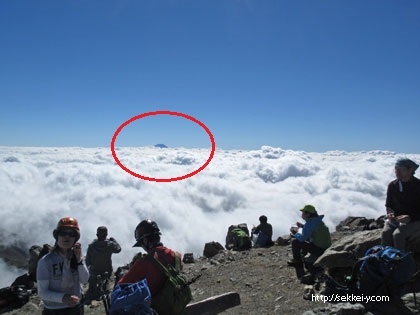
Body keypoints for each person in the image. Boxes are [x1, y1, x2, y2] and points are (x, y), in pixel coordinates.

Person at [37, 217, 89, 315]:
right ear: (57, 236)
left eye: (71, 234)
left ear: (75, 239)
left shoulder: (76, 257)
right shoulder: (46, 261)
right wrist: (63, 298)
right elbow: (42, 292)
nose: (67, 237)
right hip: (54, 310)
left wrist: (79, 261)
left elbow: (84, 280)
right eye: (63, 233)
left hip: (76, 307)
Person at [118, 219, 182, 296]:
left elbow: (120, 286)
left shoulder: (143, 263)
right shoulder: (177, 256)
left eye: (141, 244)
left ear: (145, 240)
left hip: (155, 306)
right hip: (176, 304)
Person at [381, 158, 420, 251]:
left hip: (416, 219)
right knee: (386, 233)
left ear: (410, 170)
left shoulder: (418, 185)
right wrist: (390, 213)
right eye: (395, 168)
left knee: (398, 235)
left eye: (400, 169)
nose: (396, 171)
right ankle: (386, 259)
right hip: (396, 219)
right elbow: (389, 204)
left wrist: (410, 217)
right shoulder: (393, 185)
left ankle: (401, 262)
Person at [287, 205, 331, 274]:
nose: (302, 214)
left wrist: (295, 233)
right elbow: (311, 229)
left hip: (320, 250)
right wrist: (302, 226)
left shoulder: (310, 224)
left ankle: (297, 261)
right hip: (325, 247)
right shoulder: (317, 220)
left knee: (295, 241)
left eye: (303, 213)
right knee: (305, 240)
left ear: (308, 214)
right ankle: (303, 256)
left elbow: (302, 239)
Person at [85, 226, 121, 301]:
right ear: (106, 234)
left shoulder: (91, 246)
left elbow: (87, 260)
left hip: (94, 272)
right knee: (105, 284)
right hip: (107, 271)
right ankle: (104, 285)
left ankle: (93, 289)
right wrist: (114, 240)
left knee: (92, 285)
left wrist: (90, 268)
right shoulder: (110, 244)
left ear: (97, 235)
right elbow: (118, 249)